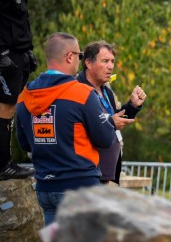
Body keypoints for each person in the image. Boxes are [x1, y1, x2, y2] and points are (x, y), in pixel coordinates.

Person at [15, 33, 117, 225]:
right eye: (79, 56)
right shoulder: (82, 93)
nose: (79, 61)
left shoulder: (24, 96)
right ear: (69, 56)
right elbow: (105, 139)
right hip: (79, 185)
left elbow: (24, 143)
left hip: (45, 186)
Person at [76, 41, 147, 184]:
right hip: (85, 174)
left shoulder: (105, 90)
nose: (111, 66)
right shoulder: (77, 89)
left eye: (112, 61)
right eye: (105, 61)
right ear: (88, 63)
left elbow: (114, 118)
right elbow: (79, 126)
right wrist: (110, 123)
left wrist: (132, 106)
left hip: (105, 174)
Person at [0, 0, 36, 181]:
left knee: (11, 108)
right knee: (4, 108)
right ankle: (2, 166)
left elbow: (21, 20)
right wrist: (1, 52)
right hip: (5, 55)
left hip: (20, 54)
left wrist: (29, 50)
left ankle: (7, 162)